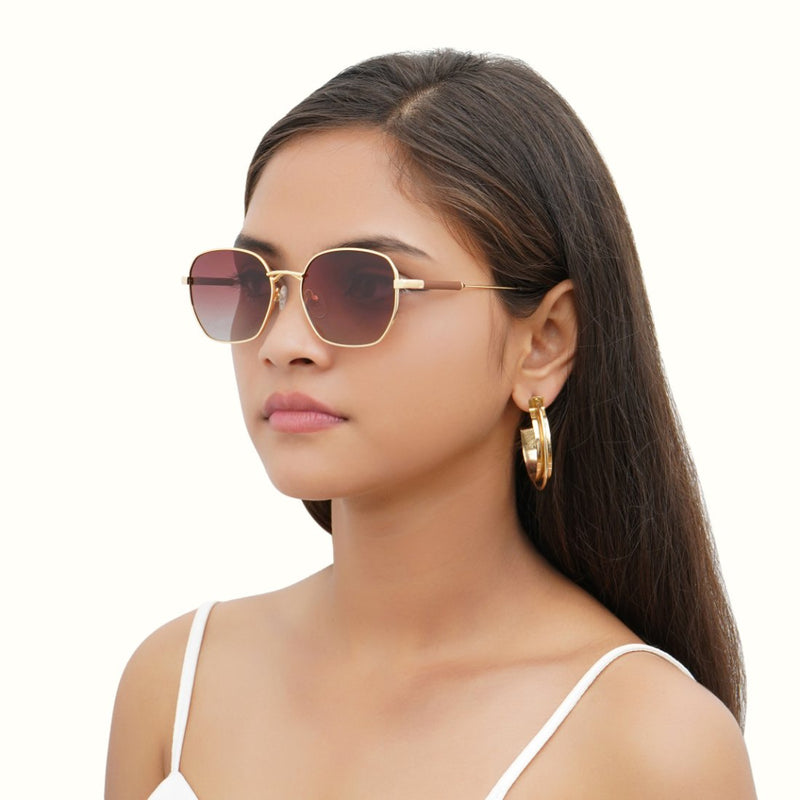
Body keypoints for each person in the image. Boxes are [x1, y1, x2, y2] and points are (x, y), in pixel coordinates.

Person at [105, 50, 757, 799]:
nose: (282, 343)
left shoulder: (652, 744)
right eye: (255, 284)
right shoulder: (176, 687)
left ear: (543, 343)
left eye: (362, 286)